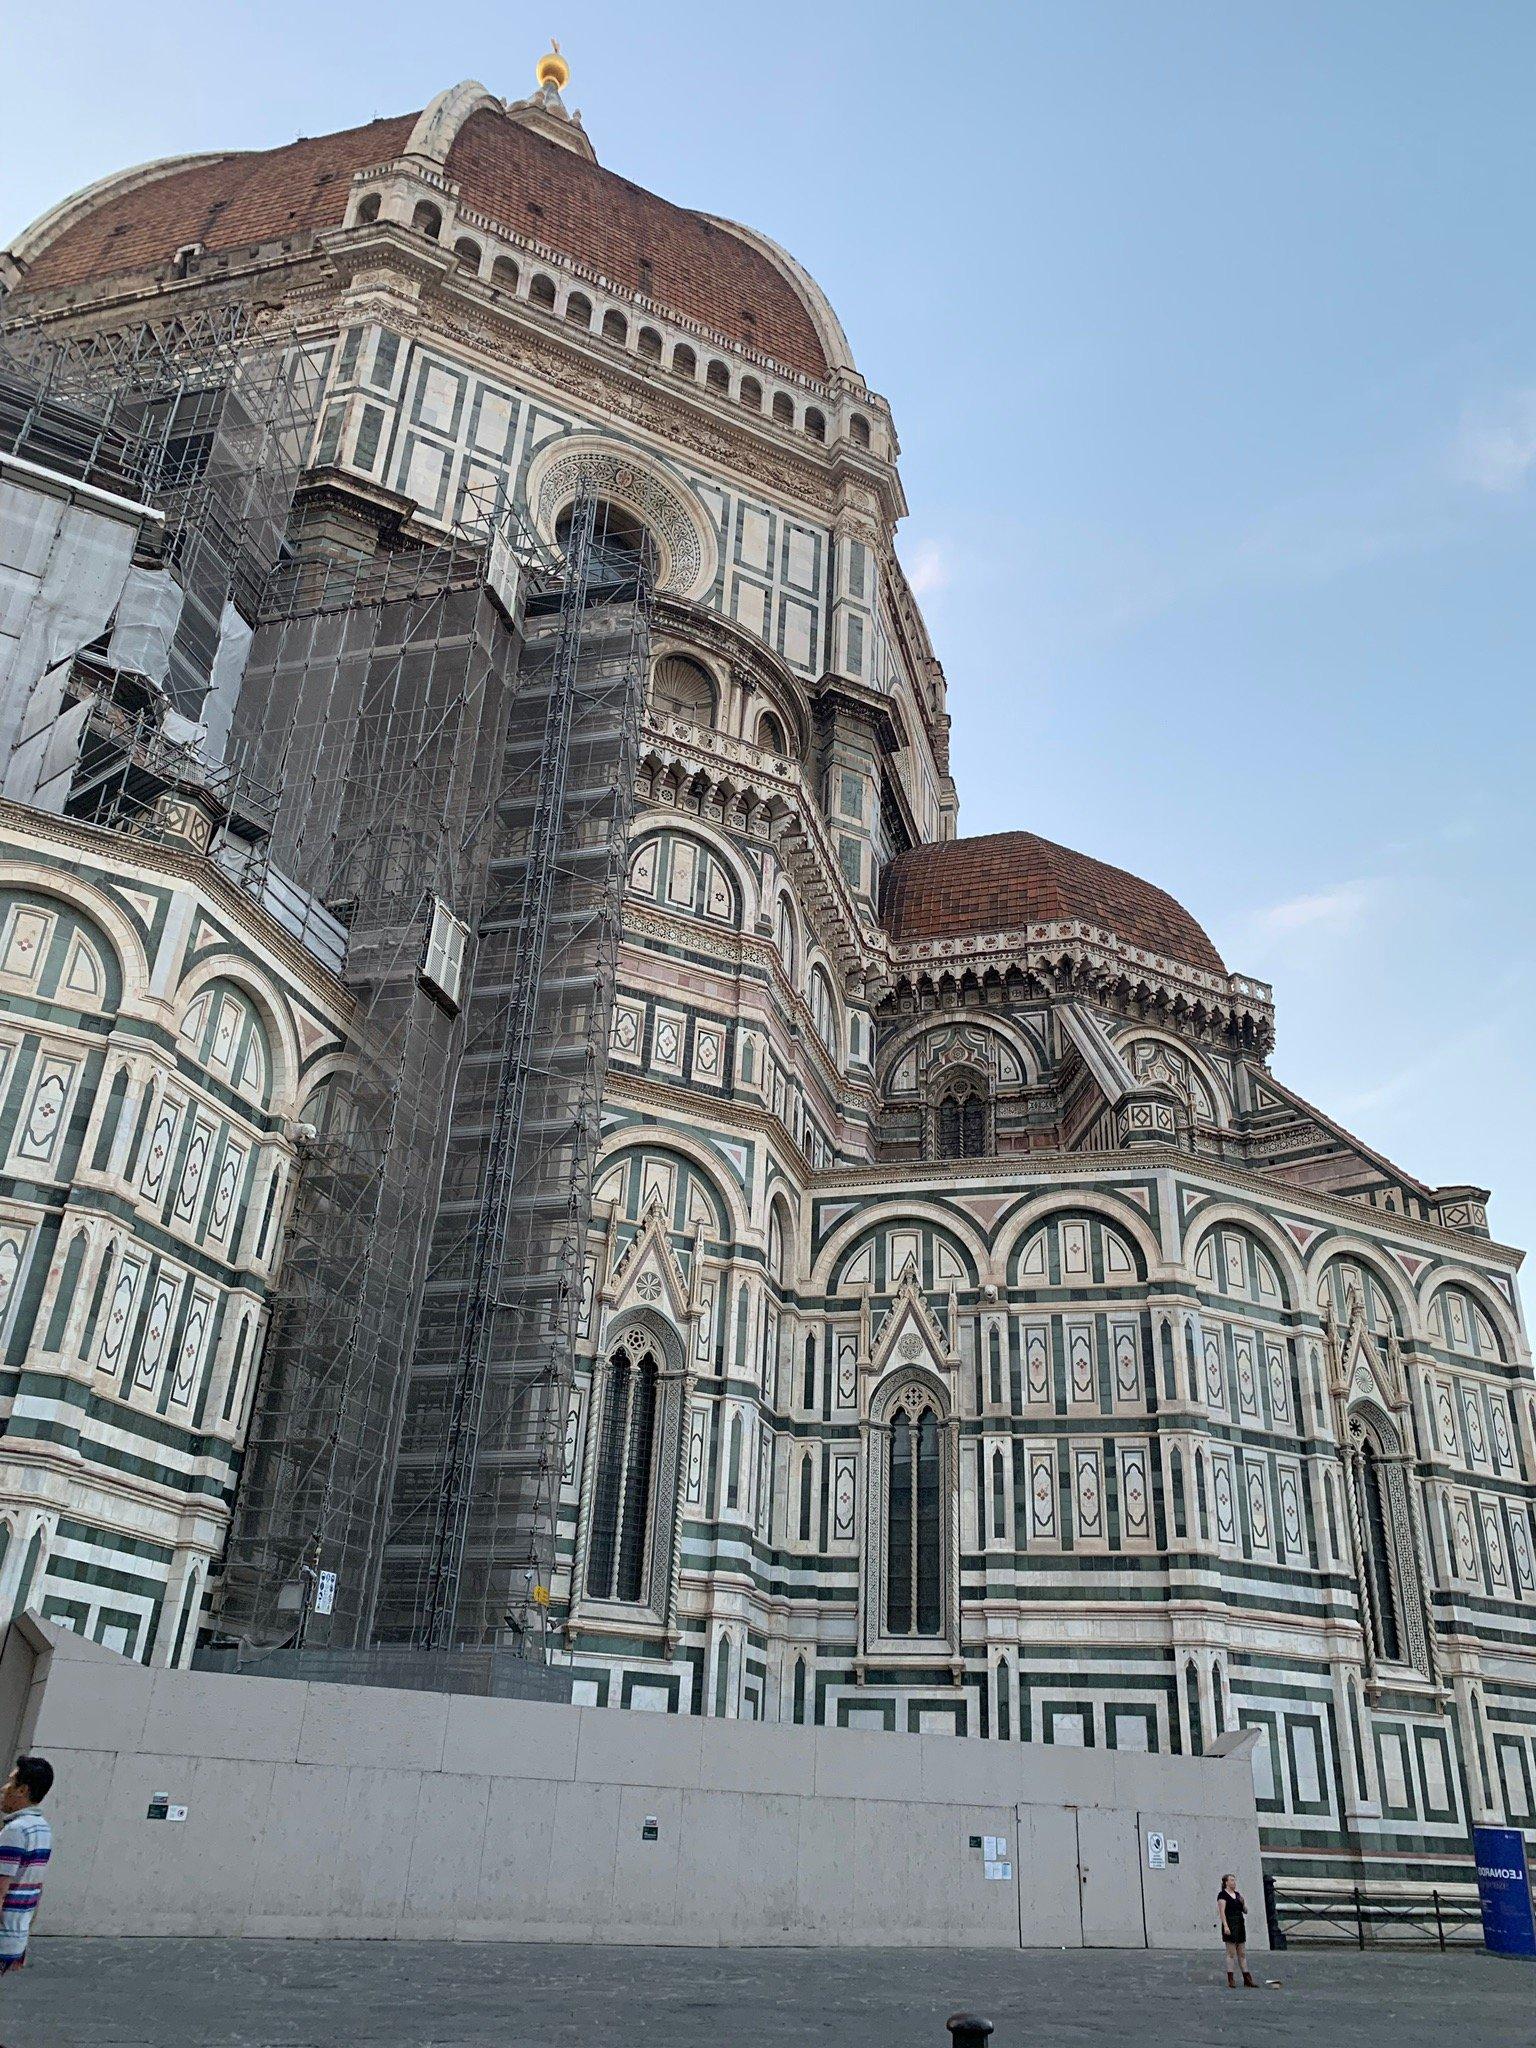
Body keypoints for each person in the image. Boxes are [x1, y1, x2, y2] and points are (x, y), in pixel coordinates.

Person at [0, 1756, 53, 1978]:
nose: (4, 1788)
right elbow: (36, 1889)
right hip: (15, 1936)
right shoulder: (42, 1828)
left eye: (11, 1783)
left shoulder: (16, 1830)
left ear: (23, 1790)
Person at [1217, 1871, 1256, 1988]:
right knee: (1231, 1953)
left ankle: (1247, 1979)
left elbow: (1245, 1911)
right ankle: (1231, 1979)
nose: (1234, 1882)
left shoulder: (1238, 1895)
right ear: (1226, 1882)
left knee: (1242, 1953)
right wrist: (1226, 1926)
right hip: (1230, 1923)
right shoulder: (1222, 1895)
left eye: (1234, 1880)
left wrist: (1243, 1903)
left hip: (1240, 1924)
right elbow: (1222, 1912)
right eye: (1232, 1880)